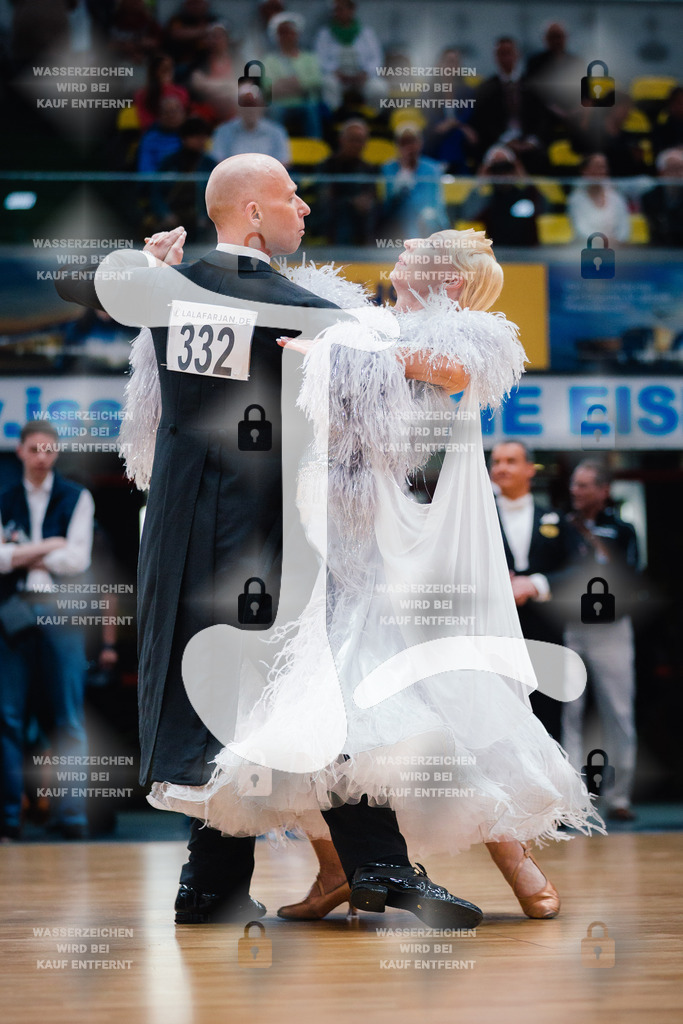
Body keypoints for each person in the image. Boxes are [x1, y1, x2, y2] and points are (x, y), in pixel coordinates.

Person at [56, 155, 483, 930]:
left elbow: (74, 287)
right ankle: (379, 868)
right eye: (291, 196)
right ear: (252, 212)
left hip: (181, 527)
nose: (306, 209)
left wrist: (145, 266)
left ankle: (210, 881)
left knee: (233, 707)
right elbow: (428, 381)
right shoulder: (293, 302)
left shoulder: (172, 286)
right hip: (267, 530)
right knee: (315, 692)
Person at [151, 228, 599, 921]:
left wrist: (331, 355)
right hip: (331, 543)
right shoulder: (367, 322)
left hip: (400, 551)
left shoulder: (473, 335)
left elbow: (443, 376)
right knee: (309, 723)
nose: (406, 245)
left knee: (440, 705)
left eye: (423, 244)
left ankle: (518, 865)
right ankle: (336, 871)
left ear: (449, 277)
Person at [0, 421, 94, 841]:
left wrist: (18, 555)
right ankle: (7, 817)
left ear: (56, 452)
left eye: (49, 449)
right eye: (34, 449)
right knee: (8, 718)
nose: (41, 456)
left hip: (62, 614)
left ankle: (71, 816)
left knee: (68, 718)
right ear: (20, 451)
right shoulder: (4, 498)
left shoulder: (77, 497)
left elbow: (77, 561)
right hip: (13, 615)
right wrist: (48, 545)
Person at [560, 460, 639, 822]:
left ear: (604, 490)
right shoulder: (559, 525)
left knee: (618, 712)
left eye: (585, 485)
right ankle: (571, 798)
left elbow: (630, 576)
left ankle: (619, 796)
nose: (577, 491)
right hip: (570, 627)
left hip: (611, 628)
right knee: (568, 713)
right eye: (575, 485)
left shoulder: (622, 529)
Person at [489, 441, 575, 739]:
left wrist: (537, 584)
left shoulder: (554, 518)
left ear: (529, 470)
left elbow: (579, 568)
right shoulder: (478, 519)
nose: (501, 468)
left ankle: (552, 783)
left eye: (511, 461)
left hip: (546, 634)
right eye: (496, 461)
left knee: (548, 716)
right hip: (494, 633)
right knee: (499, 718)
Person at [470, 38, 545, 173]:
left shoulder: (532, 85)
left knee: (541, 158)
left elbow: (540, 117)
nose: (506, 58)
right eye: (502, 53)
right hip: (498, 141)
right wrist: (505, 140)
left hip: (528, 141)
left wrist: (531, 141)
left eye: (509, 53)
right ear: (496, 57)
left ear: (517, 55)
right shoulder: (486, 88)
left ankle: (534, 194)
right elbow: (484, 121)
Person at [381, 123, 449, 238]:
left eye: (412, 142)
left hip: (427, 223)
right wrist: (404, 174)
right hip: (397, 223)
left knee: (428, 217)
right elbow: (387, 205)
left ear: (420, 143)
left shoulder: (432, 168)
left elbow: (436, 202)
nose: (409, 147)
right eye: (404, 143)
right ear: (397, 145)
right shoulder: (388, 168)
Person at [314, 0, 383, 113]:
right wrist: (334, 71)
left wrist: (366, 73)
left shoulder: (366, 33)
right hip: (338, 77)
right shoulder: (325, 34)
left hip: (361, 77)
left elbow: (376, 58)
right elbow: (319, 58)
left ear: (352, 10)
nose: (339, 13)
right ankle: (335, 114)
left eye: (342, 9)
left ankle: (372, 115)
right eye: (336, 10)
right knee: (328, 84)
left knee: (379, 88)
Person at [263, 12, 324, 138]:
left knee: (311, 110)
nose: (287, 36)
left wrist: (285, 84)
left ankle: (315, 146)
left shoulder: (309, 58)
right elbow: (268, 87)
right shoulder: (268, 61)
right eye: (283, 32)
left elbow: (316, 80)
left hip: (305, 103)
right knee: (274, 111)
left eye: (290, 32)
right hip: (279, 105)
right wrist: (299, 84)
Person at [316, 119, 377, 244]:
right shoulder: (327, 165)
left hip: (362, 217)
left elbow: (372, 194)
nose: (356, 144)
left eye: (360, 140)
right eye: (352, 139)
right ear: (341, 139)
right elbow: (324, 198)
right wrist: (351, 202)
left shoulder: (369, 168)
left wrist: (367, 201)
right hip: (333, 216)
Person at [210, 82, 291, 165]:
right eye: (245, 104)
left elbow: (283, 162)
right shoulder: (223, 131)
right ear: (237, 107)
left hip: (267, 177)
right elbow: (218, 162)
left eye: (253, 104)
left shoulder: (277, 132)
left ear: (261, 106)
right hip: (233, 176)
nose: (250, 109)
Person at [567, 153, 631, 244]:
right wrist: (603, 242)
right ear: (584, 171)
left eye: (603, 167)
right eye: (596, 167)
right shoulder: (575, 199)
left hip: (616, 249)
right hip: (584, 250)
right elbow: (580, 230)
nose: (600, 171)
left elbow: (624, 228)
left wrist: (618, 241)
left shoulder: (616, 197)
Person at [641, 148, 683, 246]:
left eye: (682, 169)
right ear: (662, 172)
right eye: (674, 169)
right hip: (658, 251)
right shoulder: (649, 198)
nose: (680, 174)